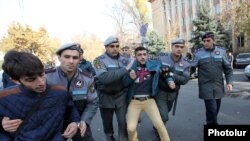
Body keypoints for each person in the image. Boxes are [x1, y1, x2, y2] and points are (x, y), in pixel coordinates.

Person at [0, 50, 81, 140]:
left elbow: (71, 110)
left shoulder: (61, 92)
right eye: (31, 79)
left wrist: (74, 123)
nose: (41, 83)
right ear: (15, 80)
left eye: (42, 75)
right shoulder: (4, 97)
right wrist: (1, 123)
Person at [46, 43, 99, 141]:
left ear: (80, 60)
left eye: (75, 58)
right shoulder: (46, 77)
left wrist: (84, 121)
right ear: (59, 58)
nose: (71, 61)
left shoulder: (87, 78)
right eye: (67, 57)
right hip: (54, 124)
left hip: (79, 121)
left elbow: (93, 102)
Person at [122, 46, 170, 141]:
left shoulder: (154, 65)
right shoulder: (130, 67)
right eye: (139, 55)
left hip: (149, 100)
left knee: (159, 124)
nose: (142, 57)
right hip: (134, 101)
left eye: (144, 54)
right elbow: (124, 83)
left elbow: (165, 71)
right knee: (130, 128)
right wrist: (130, 78)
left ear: (147, 55)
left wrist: (169, 79)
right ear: (135, 56)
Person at [93, 36, 133, 141]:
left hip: (121, 95)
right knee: (107, 120)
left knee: (122, 120)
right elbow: (104, 78)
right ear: (106, 47)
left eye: (117, 46)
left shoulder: (125, 59)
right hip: (105, 96)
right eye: (112, 46)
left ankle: (123, 136)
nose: (115, 48)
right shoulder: (98, 60)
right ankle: (109, 135)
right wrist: (126, 69)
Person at [192, 32, 233, 125]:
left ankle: (209, 122)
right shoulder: (198, 54)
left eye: (208, 41)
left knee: (215, 110)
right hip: (206, 87)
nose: (205, 43)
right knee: (212, 109)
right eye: (204, 41)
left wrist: (229, 82)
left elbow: (228, 69)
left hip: (218, 86)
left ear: (213, 41)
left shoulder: (222, 52)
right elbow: (191, 68)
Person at [156, 37, 191, 124]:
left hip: (173, 93)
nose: (179, 49)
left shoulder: (186, 63)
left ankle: (158, 126)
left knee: (166, 111)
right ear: (171, 47)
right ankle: (160, 133)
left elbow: (184, 80)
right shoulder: (162, 57)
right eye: (177, 46)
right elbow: (155, 72)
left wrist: (171, 74)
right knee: (164, 116)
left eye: (181, 47)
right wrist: (162, 72)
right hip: (160, 92)